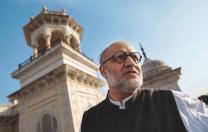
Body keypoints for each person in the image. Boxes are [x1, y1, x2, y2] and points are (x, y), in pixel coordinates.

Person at [81, 41, 208, 132]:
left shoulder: (174, 102)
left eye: (135, 57)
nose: (131, 63)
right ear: (103, 71)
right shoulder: (90, 119)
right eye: (120, 57)